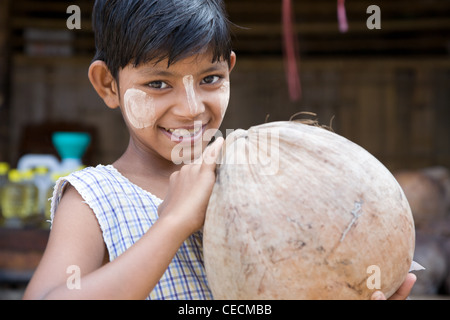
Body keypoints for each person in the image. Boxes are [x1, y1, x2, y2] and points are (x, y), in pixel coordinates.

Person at [23, 0, 415, 300]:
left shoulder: (262, 178)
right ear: (108, 84)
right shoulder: (96, 198)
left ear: (229, 68)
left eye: (210, 78)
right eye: (159, 84)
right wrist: (174, 222)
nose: (192, 108)